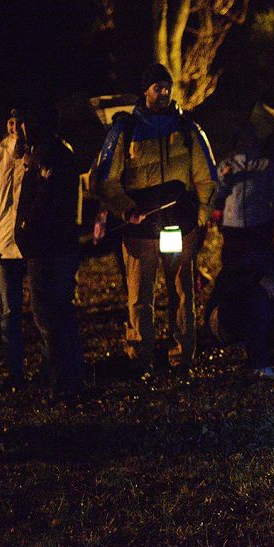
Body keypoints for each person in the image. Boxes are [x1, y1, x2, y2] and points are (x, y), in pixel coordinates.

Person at [91, 63, 217, 368]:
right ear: (145, 90)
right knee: (140, 294)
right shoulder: (125, 130)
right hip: (141, 226)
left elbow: (206, 176)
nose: (163, 93)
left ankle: (182, 355)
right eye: (157, 87)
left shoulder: (188, 129)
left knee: (182, 291)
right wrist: (126, 208)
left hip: (180, 223)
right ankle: (140, 355)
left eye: (167, 87)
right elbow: (105, 180)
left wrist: (200, 214)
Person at [0, 109, 84, 399]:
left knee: (49, 313)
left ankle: (56, 374)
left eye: (21, 123)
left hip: (40, 246)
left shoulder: (46, 155)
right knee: (13, 313)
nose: (17, 128)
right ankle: (19, 373)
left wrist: (29, 229)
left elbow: (47, 201)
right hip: (7, 245)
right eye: (12, 123)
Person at [206, 210, 274, 379]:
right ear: (273, 230)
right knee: (259, 296)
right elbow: (228, 282)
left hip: (269, 315)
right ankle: (258, 363)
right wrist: (257, 278)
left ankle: (268, 347)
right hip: (226, 317)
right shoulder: (254, 249)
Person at [212, 122, 274, 269]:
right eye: (241, 138)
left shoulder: (266, 165)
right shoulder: (226, 165)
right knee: (232, 266)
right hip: (232, 225)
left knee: (258, 265)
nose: (244, 142)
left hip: (260, 224)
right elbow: (216, 194)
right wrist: (224, 179)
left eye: (248, 138)